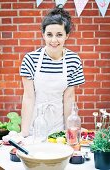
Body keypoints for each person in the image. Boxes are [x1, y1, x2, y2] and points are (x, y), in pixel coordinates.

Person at [20, 5, 85, 137]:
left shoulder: (74, 60)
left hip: (59, 127)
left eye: (59, 35)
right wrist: (24, 133)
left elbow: (69, 98)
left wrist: (69, 132)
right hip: (35, 125)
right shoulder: (30, 59)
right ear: (43, 34)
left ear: (67, 35)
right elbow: (28, 97)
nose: (54, 40)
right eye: (49, 34)